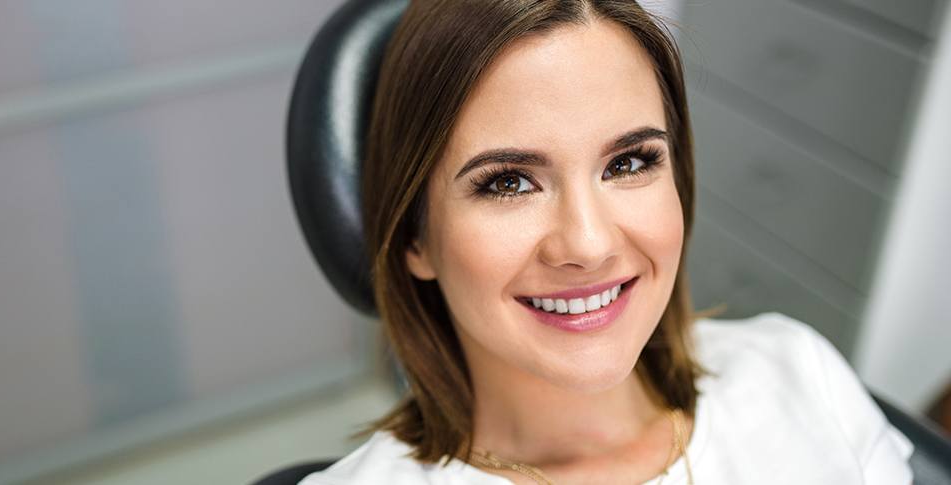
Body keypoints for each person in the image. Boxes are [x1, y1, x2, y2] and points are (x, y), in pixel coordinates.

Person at [299, 0, 915, 484]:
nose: (589, 245)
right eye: (509, 183)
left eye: (627, 163)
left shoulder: (800, 375)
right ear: (415, 238)